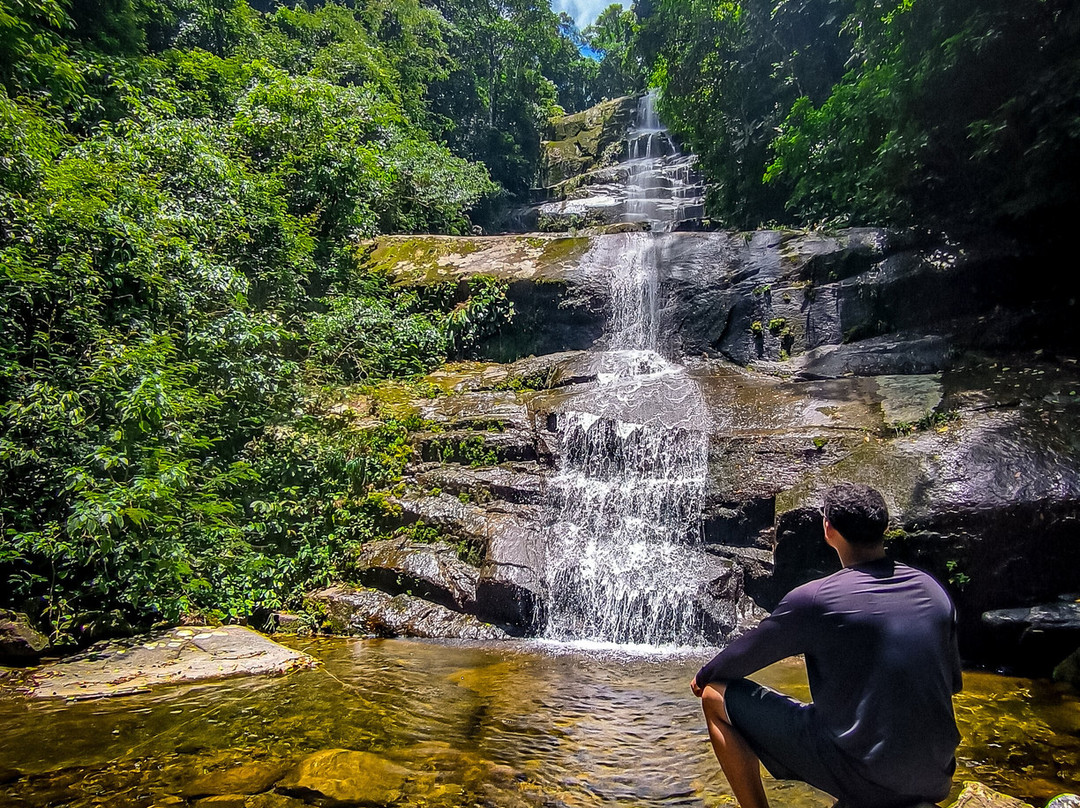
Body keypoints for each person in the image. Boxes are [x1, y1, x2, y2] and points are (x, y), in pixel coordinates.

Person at [690, 482, 962, 808]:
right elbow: (951, 686)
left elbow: (746, 655)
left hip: (864, 776)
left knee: (714, 695)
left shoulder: (816, 600)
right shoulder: (932, 591)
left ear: (828, 528)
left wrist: (704, 675)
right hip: (935, 777)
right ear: (885, 528)